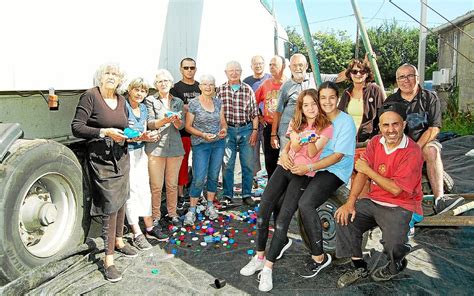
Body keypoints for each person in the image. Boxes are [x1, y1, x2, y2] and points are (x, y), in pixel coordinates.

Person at [241, 89, 334, 292]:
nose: (310, 108)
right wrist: (286, 151)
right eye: (306, 104)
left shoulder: (326, 127)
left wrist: (309, 141)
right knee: (262, 213)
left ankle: (267, 268)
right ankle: (259, 257)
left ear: (319, 105)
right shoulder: (296, 121)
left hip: (302, 174)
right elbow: (290, 145)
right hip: (284, 168)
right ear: (301, 106)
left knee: (283, 221)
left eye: (314, 104)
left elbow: (311, 153)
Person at [334, 102, 424, 287]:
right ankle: (359, 265)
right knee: (344, 217)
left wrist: (368, 170)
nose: (390, 130)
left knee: (394, 245)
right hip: (375, 201)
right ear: (379, 127)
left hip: (402, 205)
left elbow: (396, 189)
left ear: (404, 124)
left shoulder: (412, 151)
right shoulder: (375, 142)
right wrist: (350, 202)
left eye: (395, 124)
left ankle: (395, 264)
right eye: (385, 125)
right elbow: (361, 173)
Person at [71, 63, 137, 282]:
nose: (111, 77)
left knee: (121, 201)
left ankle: (118, 241)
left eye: (115, 74)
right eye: (108, 73)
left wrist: (133, 135)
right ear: (100, 77)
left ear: (120, 80)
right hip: (101, 159)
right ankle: (109, 261)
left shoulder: (122, 100)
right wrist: (103, 131)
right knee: (109, 205)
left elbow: (125, 126)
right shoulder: (90, 96)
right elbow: (76, 127)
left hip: (121, 156)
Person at [291, 81, 356, 278]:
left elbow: (337, 157)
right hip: (313, 167)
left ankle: (319, 257)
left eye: (332, 97)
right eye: (323, 98)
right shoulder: (316, 118)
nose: (327, 102)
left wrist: (308, 167)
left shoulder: (345, 122)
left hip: (333, 170)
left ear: (338, 99)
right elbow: (299, 139)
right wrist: (286, 154)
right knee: (283, 194)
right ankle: (278, 242)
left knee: (306, 203)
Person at [385, 64, 463, 214]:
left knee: (432, 150)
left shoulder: (429, 97)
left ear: (417, 78)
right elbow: (385, 128)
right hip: (400, 144)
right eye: (402, 77)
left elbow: (434, 128)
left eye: (410, 76)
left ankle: (440, 200)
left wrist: (415, 148)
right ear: (397, 81)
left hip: (425, 142)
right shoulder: (390, 101)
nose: (406, 80)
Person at [124, 78, 167, 250]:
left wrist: (150, 135)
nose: (140, 94)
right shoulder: (124, 107)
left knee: (145, 189)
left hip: (140, 151)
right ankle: (136, 232)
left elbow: (143, 131)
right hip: (126, 154)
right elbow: (122, 134)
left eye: (143, 91)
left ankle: (149, 227)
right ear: (129, 90)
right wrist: (141, 137)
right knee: (132, 192)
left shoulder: (142, 108)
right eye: (136, 90)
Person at [272, 53, 345, 151]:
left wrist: (358, 67)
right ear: (290, 67)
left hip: (310, 132)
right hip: (288, 132)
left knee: (308, 160)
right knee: (288, 161)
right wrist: (273, 134)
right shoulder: (285, 87)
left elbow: (339, 77)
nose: (298, 68)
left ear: (306, 66)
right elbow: (278, 111)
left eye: (300, 65)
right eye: (294, 65)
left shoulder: (315, 78)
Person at [183, 74, 227, 225]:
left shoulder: (218, 102)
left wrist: (224, 130)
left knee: (214, 175)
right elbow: (188, 127)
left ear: (214, 86)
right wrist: (202, 134)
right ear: (200, 86)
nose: (208, 87)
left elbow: (223, 122)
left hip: (218, 144)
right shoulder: (193, 103)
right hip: (201, 144)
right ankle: (192, 209)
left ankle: (209, 206)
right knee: (199, 177)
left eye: (211, 84)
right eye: (205, 84)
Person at [145, 69, 185, 230]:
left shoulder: (177, 101)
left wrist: (175, 121)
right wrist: (165, 120)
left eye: (166, 81)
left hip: (175, 147)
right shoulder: (150, 100)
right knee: (155, 186)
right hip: (156, 148)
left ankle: (172, 214)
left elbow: (181, 126)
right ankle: (155, 216)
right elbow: (150, 123)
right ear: (155, 85)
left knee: (172, 184)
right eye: (160, 81)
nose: (163, 84)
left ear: (171, 83)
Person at [217, 61, 259, 207]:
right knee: (228, 164)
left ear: (241, 72)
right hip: (228, 130)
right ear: (226, 73)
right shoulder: (220, 90)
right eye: (231, 71)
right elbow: (218, 113)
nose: (234, 73)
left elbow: (254, 114)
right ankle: (227, 194)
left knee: (247, 163)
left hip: (246, 129)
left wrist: (254, 131)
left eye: (237, 70)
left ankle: (246, 194)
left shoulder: (248, 90)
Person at [170, 58, 201, 208]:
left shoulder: (201, 87)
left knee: (199, 164)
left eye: (192, 67)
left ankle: (196, 192)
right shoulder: (175, 88)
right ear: (181, 69)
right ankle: (180, 195)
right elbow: (176, 108)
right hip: (183, 132)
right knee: (182, 164)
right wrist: (189, 107)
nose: (189, 70)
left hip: (200, 131)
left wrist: (189, 106)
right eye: (186, 68)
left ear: (196, 69)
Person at [338, 58, 385, 143]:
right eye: (354, 71)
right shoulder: (347, 92)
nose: (358, 74)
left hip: (368, 141)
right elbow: (339, 116)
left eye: (362, 71)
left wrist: (374, 137)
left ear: (367, 74)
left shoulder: (375, 90)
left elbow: (383, 115)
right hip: (348, 140)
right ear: (350, 74)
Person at [254, 55, 287, 178]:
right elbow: (253, 101)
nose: (271, 67)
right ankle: (271, 187)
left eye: (275, 65)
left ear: (283, 67)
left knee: (286, 158)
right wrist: (260, 116)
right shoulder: (265, 84)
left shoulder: (288, 84)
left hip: (285, 127)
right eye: (270, 65)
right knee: (270, 160)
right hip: (269, 126)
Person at [243, 55, 271, 188]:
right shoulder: (247, 81)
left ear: (264, 64)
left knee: (269, 152)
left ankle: (272, 180)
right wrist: (257, 116)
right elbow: (245, 102)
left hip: (268, 123)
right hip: (252, 123)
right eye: (255, 64)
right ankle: (253, 179)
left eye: (260, 63)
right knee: (252, 152)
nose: (258, 66)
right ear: (251, 66)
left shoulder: (270, 78)